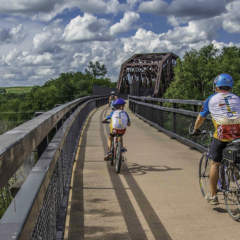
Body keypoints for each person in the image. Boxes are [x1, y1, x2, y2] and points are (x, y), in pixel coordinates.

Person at [191, 73, 240, 205]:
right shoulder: (237, 98)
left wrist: (195, 129)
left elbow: (201, 118)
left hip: (223, 133)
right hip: (239, 132)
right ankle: (235, 170)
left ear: (216, 86)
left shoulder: (211, 99)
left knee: (215, 164)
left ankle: (213, 196)